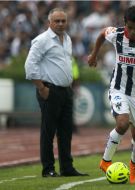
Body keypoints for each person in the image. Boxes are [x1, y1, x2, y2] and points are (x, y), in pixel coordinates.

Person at [88, 6, 135, 184]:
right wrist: (94, 55)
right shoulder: (116, 34)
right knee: (122, 123)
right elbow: (101, 34)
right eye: (129, 27)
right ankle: (105, 161)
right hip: (118, 88)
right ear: (124, 23)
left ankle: (134, 166)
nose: (131, 32)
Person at [24, 8, 88, 177]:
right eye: (57, 21)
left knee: (66, 132)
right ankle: (48, 169)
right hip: (49, 90)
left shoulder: (67, 39)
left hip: (66, 91)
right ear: (49, 22)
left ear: (67, 22)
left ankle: (67, 167)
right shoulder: (42, 40)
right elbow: (30, 66)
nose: (60, 24)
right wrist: (41, 88)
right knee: (48, 131)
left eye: (63, 21)